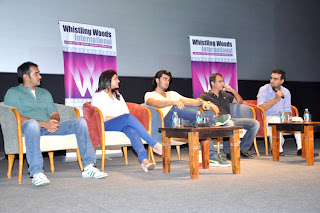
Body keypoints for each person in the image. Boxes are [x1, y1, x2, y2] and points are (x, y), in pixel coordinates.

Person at [4, 62, 108, 187]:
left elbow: (54, 113)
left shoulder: (44, 93)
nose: (40, 76)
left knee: (80, 122)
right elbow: (15, 116)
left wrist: (53, 122)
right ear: (26, 76)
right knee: (32, 125)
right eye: (36, 74)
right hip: (28, 128)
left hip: (47, 126)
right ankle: (37, 173)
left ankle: (89, 167)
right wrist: (43, 124)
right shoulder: (14, 92)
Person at [144, 70, 231, 167]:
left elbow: (189, 101)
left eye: (168, 80)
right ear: (157, 80)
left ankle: (212, 156)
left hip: (179, 123)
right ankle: (211, 120)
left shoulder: (172, 94)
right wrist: (172, 102)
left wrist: (203, 102)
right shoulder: (149, 94)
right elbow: (152, 103)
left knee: (199, 126)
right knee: (176, 108)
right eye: (164, 79)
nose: (167, 82)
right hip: (164, 124)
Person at [91, 70, 162, 173]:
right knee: (128, 118)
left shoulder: (118, 96)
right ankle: (154, 144)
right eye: (115, 79)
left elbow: (126, 112)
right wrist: (120, 118)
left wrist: (121, 118)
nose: (118, 81)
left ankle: (144, 160)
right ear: (107, 80)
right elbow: (101, 117)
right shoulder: (97, 96)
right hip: (105, 125)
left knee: (131, 130)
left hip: (121, 124)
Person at [257, 69, 318, 156]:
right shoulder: (264, 89)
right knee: (275, 120)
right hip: (268, 117)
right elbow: (261, 107)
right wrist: (276, 99)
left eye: (275, 79)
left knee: (299, 119)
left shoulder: (286, 91)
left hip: (282, 117)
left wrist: (286, 117)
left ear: (282, 81)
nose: (272, 81)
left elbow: (288, 110)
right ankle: (278, 150)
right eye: (271, 78)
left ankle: (302, 148)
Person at [198, 73, 260, 160]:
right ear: (213, 83)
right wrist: (208, 103)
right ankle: (229, 152)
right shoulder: (206, 95)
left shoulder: (224, 95)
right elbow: (197, 101)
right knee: (229, 123)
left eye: (223, 81)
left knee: (255, 123)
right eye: (220, 81)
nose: (223, 83)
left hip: (231, 118)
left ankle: (242, 150)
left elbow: (240, 101)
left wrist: (232, 90)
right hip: (218, 121)